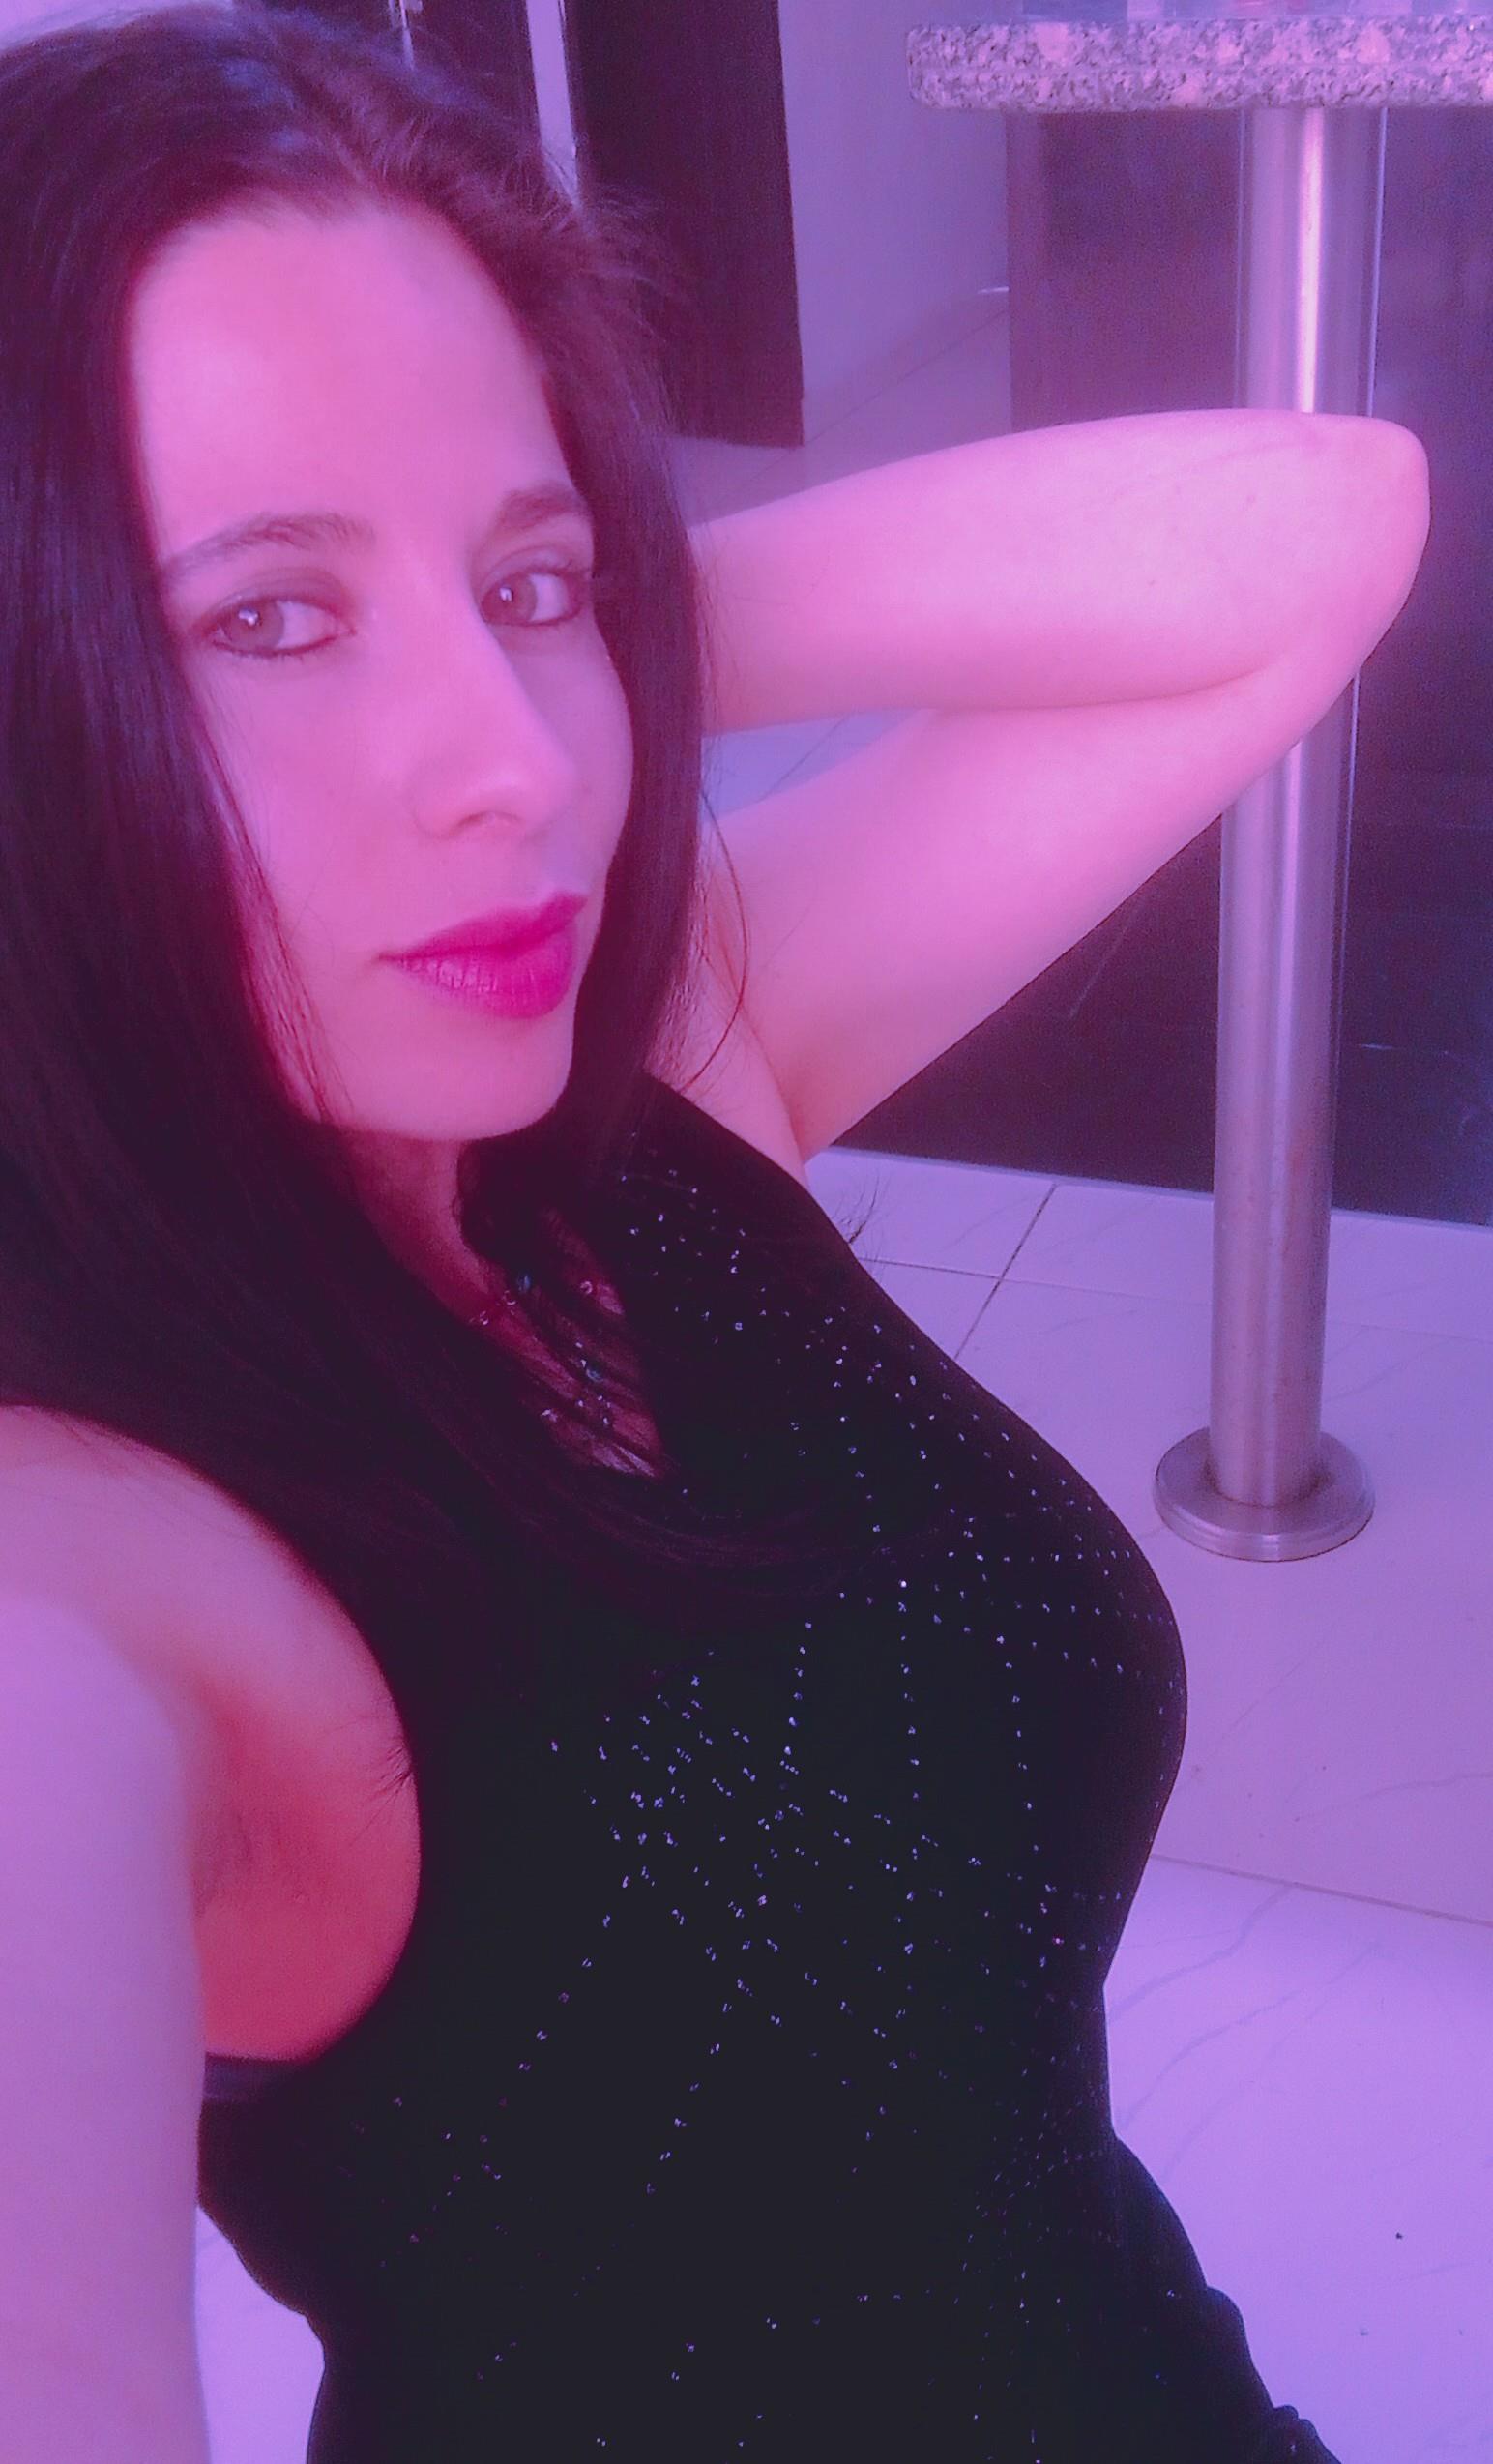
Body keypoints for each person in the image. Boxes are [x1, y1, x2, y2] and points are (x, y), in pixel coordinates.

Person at [0, 5, 1419, 2457]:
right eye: (262, 618)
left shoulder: (630, 1076)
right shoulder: (81, 1567)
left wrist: (598, 626)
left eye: (535, 576)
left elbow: (1311, 529)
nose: (516, 768)